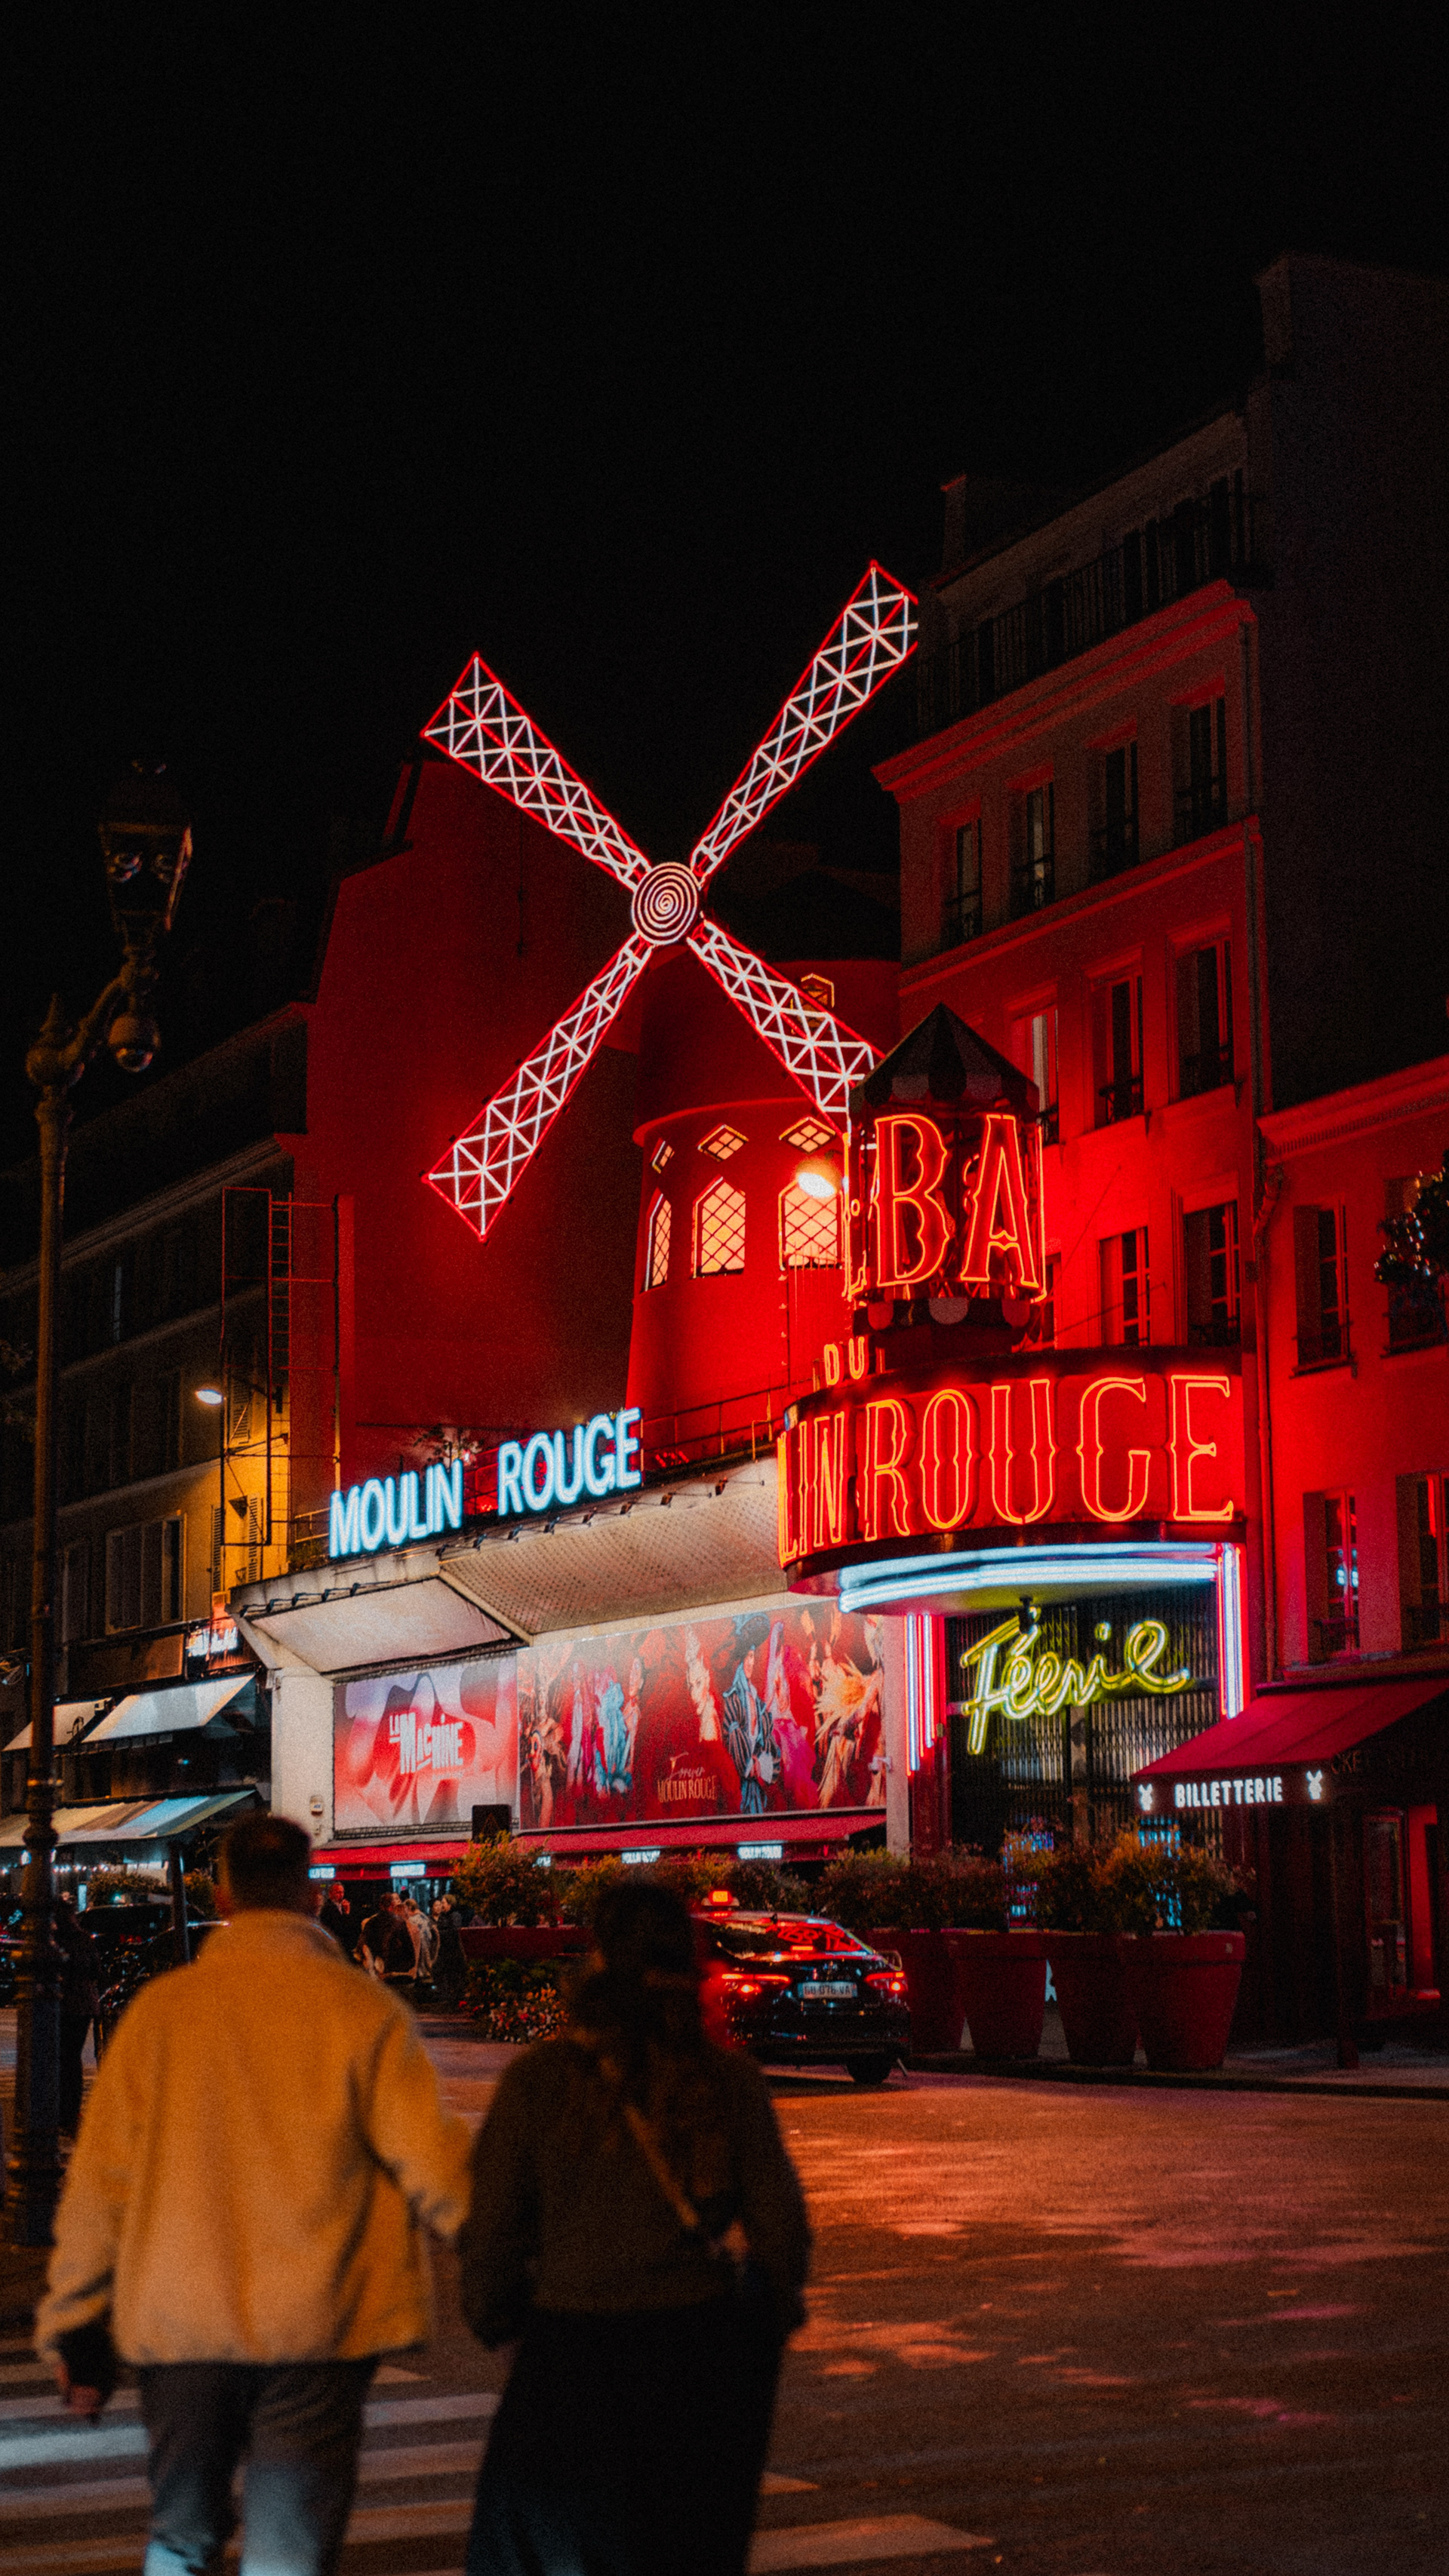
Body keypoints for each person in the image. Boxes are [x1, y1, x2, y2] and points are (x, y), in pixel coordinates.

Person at [36, 1812, 472, 2576]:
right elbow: (436, 2168)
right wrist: (509, 2262)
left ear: (223, 1897)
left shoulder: (161, 2015)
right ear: (311, 1897)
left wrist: (74, 2317)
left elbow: (101, 2186)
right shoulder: (362, 2012)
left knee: (182, 2533)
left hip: (182, 2321)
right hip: (318, 2323)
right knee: (291, 2548)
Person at [458, 1878, 811, 2576]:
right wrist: (755, 2322)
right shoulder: (727, 2082)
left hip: (568, 2356)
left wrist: (504, 2325)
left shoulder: (541, 2082)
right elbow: (783, 2237)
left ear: (598, 1960)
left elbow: (490, 2240)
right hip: (694, 2356)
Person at [54, 1892, 100, 2136]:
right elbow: (96, 1970)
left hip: (65, 2004)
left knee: (61, 2059)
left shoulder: (57, 1940)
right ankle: (71, 2112)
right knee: (72, 2059)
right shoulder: (83, 1938)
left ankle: (63, 2112)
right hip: (84, 2005)